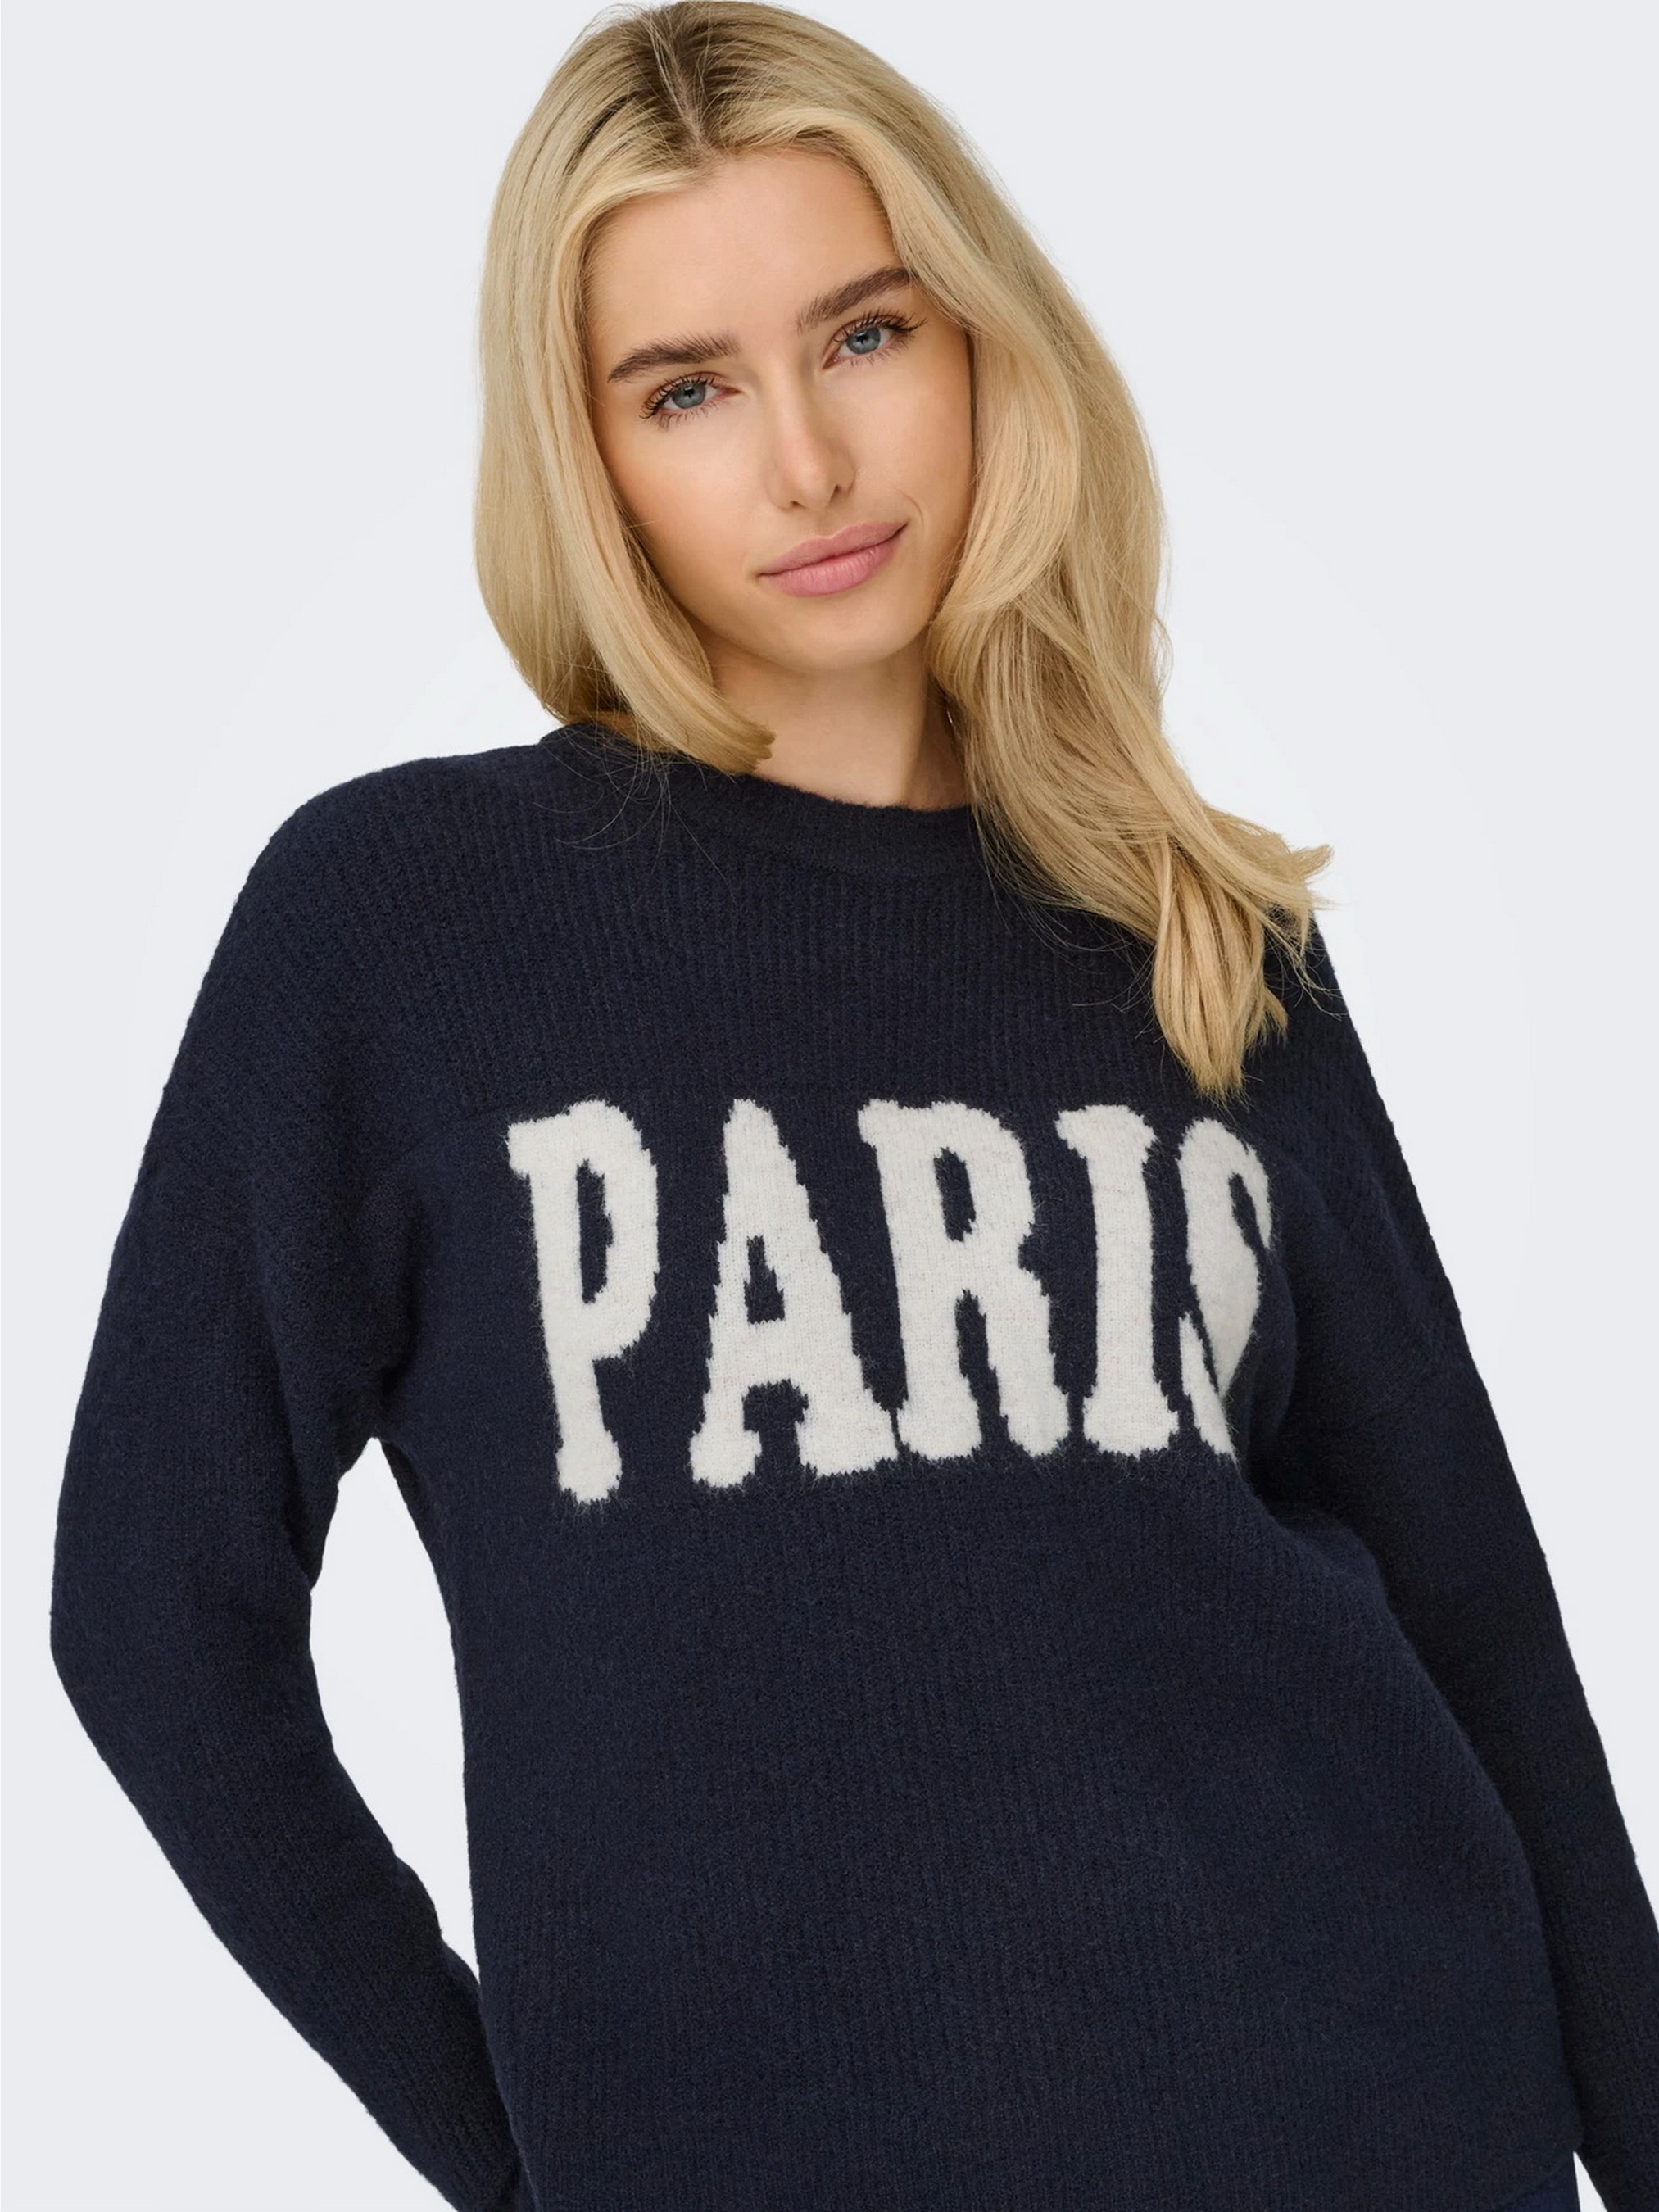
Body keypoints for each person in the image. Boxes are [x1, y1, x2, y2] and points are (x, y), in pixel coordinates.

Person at [48, 4, 1657, 2209]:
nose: (806, 462)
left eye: (865, 334)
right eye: (685, 388)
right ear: (586, 455)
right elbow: (153, 1614)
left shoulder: (1195, 929)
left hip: (1377, 2110)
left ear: (981, 342)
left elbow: (1474, 1606)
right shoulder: (398, 930)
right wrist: (518, 2150)